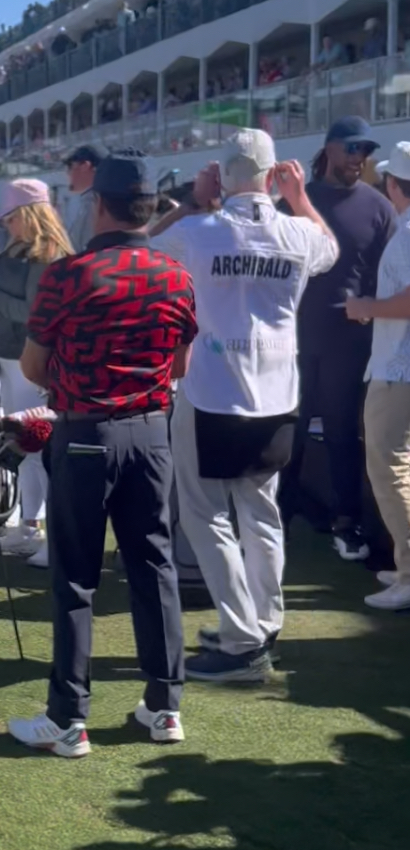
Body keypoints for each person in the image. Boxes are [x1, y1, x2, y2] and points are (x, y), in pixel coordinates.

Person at [8, 152, 198, 758]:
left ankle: (68, 718)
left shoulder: (69, 275)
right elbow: (179, 365)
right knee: (154, 569)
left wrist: (79, 382)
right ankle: (164, 707)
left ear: (98, 205)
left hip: (86, 433)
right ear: (150, 206)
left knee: (75, 578)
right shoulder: (175, 275)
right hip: (151, 435)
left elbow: (32, 366)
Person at [152, 130, 338, 684]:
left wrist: (192, 200)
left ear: (222, 176)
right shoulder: (298, 232)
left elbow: (140, 248)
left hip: (211, 390)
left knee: (205, 514)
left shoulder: (198, 230)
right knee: (260, 511)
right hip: (276, 393)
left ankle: (240, 639)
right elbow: (328, 249)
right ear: (272, 174)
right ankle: (263, 621)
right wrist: (299, 199)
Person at [282, 117, 397, 560]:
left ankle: (347, 523)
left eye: (364, 151)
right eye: (352, 148)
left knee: (342, 433)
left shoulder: (379, 207)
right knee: (287, 431)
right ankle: (277, 517)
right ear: (329, 148)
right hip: (291, 339)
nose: (359, 158)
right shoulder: (294, 200)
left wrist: (370, 309)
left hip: (349, 343)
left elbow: (388, 277)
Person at [0, 179, 72, 565]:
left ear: (27, 215)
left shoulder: (46, 255)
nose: (6, 225)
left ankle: (47, 532)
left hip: (33, 359)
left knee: (40, 445)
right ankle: (30, 526)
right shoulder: (25, 250)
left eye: (11, 218)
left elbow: (38, 313)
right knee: (27, 445)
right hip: (15, 356)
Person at [343, 142, 410, 610]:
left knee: (390, 470)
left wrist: (366, 306)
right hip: (396, 367)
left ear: (393, 185)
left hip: (398, 370)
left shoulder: (406, 236)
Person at [61, 142, 104, 252]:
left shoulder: (96, 203)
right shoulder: (102, 199)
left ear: (85, 166)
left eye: (70, 166)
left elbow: (87, 250)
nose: (67, 173)